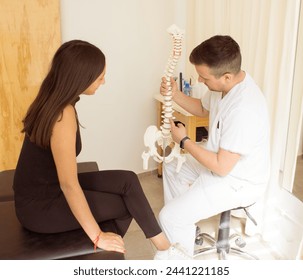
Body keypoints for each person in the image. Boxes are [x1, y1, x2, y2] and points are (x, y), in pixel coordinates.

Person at [13, 39, 189, 259]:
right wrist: (97, 235)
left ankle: (162, 246)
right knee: (125, 206)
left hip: (47, 187)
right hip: (40, 206)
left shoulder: (53, 98)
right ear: (80, 78)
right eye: (99, 77)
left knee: (128, 180)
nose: (103, 81)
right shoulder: (62, 114)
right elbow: (69, 185)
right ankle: (105, 249)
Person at [159, 35, 270, 257]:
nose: (200, 81)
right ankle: (183, 228)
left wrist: (184, 140)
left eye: (203, 77)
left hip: (237, 181)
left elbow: (221, 167)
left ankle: (178, 250)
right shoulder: (225, 87)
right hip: (221, 164)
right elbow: (202, 107)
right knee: (172, 166)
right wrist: (175, 94)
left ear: (226, 76)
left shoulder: (244, 109)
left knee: (169, 217)